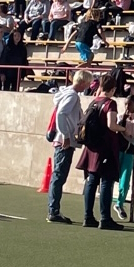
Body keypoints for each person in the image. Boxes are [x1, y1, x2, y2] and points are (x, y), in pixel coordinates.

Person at [80, 71, 126, 230]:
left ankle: (88, 216)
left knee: (92, 181)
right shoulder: (110, 103)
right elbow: (111, 125)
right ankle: (105, 218)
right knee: (106, 182)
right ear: (112, 89)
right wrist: (124, 129)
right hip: (106, 147)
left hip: (92, 146)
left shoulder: (94, 102)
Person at [46, 71, 89, 223]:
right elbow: (61, 114)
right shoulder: (72, 96)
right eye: (87, 83)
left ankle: (54, 210)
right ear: (83, 82)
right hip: (65, 141)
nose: (88, 86)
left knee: (58, 175)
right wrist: (65, 135)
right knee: (59, 176)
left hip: (62, 139)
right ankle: (53, 211)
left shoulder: (66, 93)